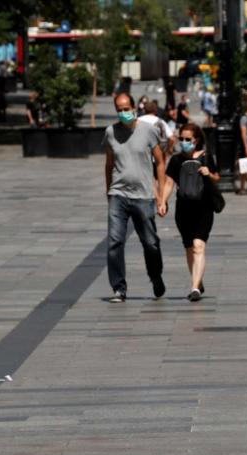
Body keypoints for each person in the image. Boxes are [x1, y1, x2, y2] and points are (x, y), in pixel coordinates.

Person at [103, 93, 167, 303]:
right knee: (114, 241)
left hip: (144, 195)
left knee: (150, 243)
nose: (123, 113)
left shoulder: (148, 131)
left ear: (134, 108)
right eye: (119, 110)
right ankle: (119, 288)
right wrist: (108, 190)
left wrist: (161, 196)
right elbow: (109, 164)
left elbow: (159, 161)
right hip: (118, 194)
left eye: (126, 108)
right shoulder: (111, 132)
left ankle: (155, 276)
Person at [160, 123, 220, 302]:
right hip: (183, 210)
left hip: (204, 209)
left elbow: (217, 178)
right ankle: (198, 280)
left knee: (199, 246)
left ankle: (194, 288)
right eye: (182, 139)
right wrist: (163, 201)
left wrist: (208, 173)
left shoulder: (206, 157)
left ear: (197, 140)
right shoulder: (176, 160)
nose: (184, 142)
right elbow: (169, 182)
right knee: (189, 248)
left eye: (188, 139)